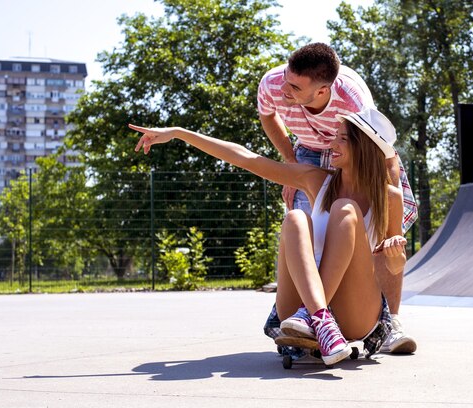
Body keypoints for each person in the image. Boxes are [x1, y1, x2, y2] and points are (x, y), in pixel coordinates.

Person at [129, 107, 405, 366]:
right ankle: (318, 317)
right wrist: (179, 132)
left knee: (345, 209)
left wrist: (394, 254)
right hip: (299, 305)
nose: (332, 144)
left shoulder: (390, 197)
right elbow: (246, 158)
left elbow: (394, 267)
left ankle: (316, 319)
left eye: (342, 139)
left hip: (353, 313)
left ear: (363, 148)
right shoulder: (316, 179)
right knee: (296, 217)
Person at [257, 42, 417, 354]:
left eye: (294, 87)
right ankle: (313, 314)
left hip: (356, 148)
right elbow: (266, 121)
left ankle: (389, 322)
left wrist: (388, 204)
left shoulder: (353, 99)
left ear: (323, 90)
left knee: (377, 234)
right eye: (285, 80)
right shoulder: (272, 84)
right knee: (305, 226)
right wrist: (291, 162)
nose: (284, 89)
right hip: (306, 150)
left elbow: (377, 152)